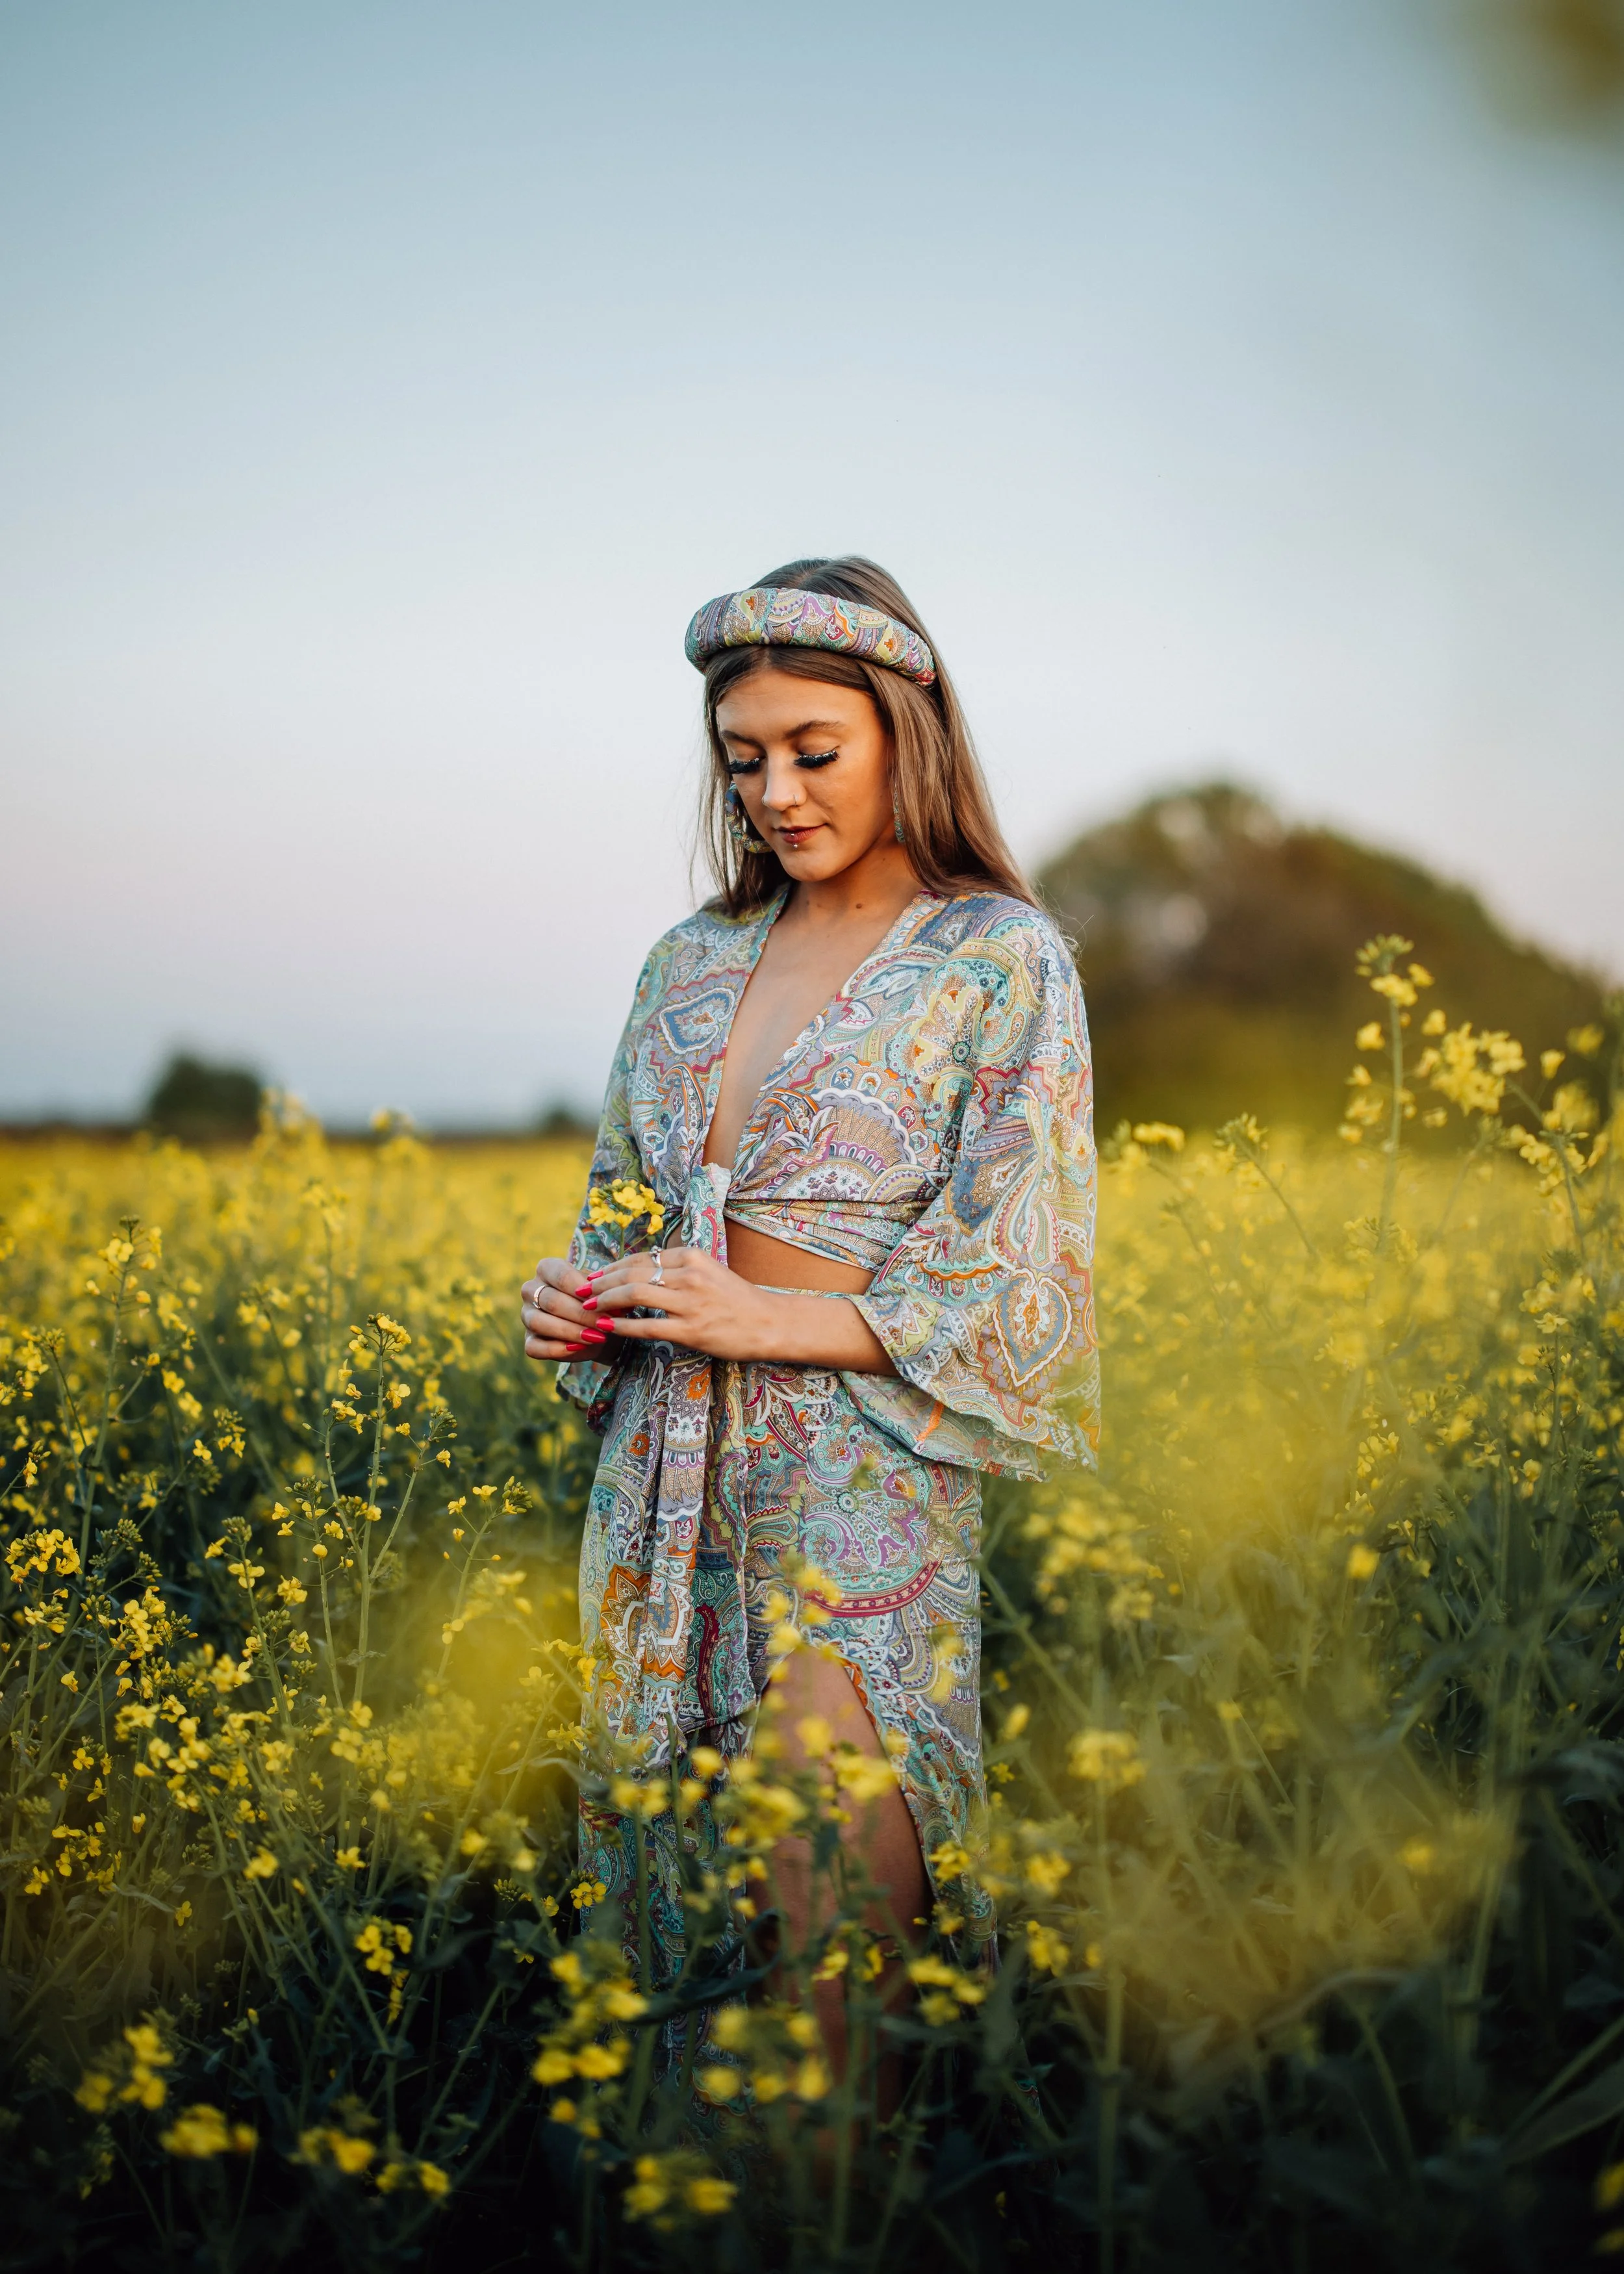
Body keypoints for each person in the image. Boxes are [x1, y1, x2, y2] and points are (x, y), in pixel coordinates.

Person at [520, 557, 1097, 2072]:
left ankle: (848, 2200)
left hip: (859, 1471)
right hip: (664, 1470)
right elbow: (623, 1212)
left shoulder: (994, 957)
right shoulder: (687, 962)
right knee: (677, 1873)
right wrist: (577, 1300)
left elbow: (1018, 1276)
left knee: (823, 1888)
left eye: (811, 751)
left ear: (907, 732)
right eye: (742, 759)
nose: (775, 791)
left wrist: (758, 1320)